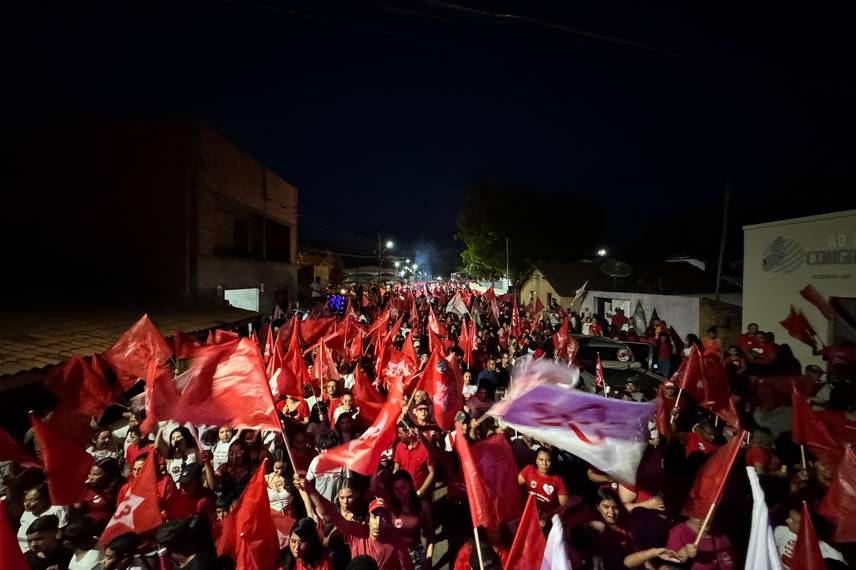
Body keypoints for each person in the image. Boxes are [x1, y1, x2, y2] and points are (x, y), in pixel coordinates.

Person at [302, 479, 413, 570]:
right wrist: (310, 489)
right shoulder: (357, 532)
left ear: (389, 522)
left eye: (383, 518)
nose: (378, 522)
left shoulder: (397, 544)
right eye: (374, 516)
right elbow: (328, 515)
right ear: (368, 519)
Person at [773, 502, 846, 569]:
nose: (787, 520)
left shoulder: (832, 556)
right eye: (789, 517)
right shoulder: (781, 531)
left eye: (794, 521)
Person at [389, 471, 434, 570]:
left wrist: (428, 557)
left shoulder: (423, 506)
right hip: (395, 555)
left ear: (410, 486)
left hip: (415, 554)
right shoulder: (390, 508)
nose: (401, 493)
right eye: (396, 489)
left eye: (403, 487)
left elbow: (430, 535)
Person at [517, 448, 569, 523]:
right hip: (525, 513)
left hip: (546, 520)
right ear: (536, 461)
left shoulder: (558, 480)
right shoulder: (528, 470)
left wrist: (548, 516)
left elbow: (565, 506)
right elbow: (514, 489)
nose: (544, 464)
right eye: (541, 460)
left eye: (548, 460)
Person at [666, 517, 735, 569]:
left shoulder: (720, 536)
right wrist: (684, 552)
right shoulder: (679, 531)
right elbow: (670, 563)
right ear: (690, 515)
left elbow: (727, 565)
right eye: (700, 514)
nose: (704, 519)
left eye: (708, 514)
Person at [17, 483, 68, 552]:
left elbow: (60, 535)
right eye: (26, 500)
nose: (27, 504)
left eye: (32, 500)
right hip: (26, 552)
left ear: (45, 499)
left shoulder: (56, 510)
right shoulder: (26, 514)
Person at [392, 426, 435, 500]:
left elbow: (432, 472)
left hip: (420, 495)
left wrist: (420, 492)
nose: (398, 435)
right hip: (404, 494)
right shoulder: (399, 446)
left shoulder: (425, 448)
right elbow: (396, 468)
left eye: (401, 433)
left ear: (409, 433)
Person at [306, 432, 346, 503]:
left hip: (338, 504)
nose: (326, 452)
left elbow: (347, 484)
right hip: (320, 504)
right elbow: (307, 482)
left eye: (330, 448)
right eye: (324, 449)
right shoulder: (316, 461)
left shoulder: (342, 462)